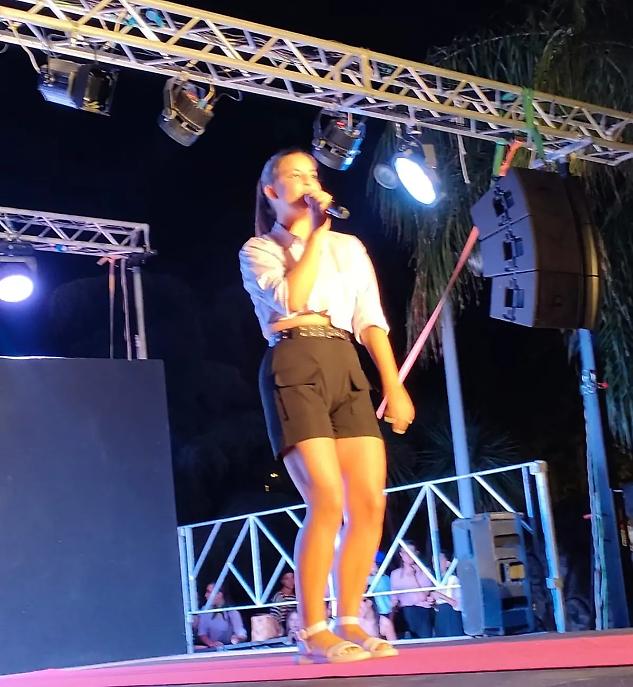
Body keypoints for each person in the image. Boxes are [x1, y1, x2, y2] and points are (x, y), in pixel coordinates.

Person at [239, 149, 415, 664]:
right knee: (326, 498)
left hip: (343, 358)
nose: (307, 181)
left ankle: (350, 621)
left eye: (312, 174)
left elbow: (369, 318)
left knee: (369, 504)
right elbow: (292, 300)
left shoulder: (349, 247)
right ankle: (312, 628)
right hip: (293, 360)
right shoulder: (259, 248)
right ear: (271, 192)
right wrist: (314, 233)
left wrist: (393, 385)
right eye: (294, 176)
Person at [390, 541, 434, 639]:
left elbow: (422, 597)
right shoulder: (395, 574)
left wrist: (412, 577)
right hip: (403, 614)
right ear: (401, 555)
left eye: (411, 552)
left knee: (425, 642)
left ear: (416, 553)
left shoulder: (425, 571)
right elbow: (394, 599)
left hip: (422, 612)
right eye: (405, 552)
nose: (409, 555)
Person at [196, 583, 247, 649]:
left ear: (219, 594)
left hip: (229, 649)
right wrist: (212, 644)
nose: (205, 595)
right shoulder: (205, 610)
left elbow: (241, 633)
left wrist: (237, 639)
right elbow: (202, 633)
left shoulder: (232, 611)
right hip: (211, 649)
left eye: (209, 592)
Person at [432, 552, 464, 637]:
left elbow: (458, 604)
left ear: (448, 563)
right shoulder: (436, 581)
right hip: (440, 617)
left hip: (451, 616)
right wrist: (433, 603)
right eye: (433, 561)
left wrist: (441, 596)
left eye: (439, 561)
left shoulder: (454, 580)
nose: (435, 564)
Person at [367, 554, 397, 641]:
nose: (373, 565)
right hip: (375, 611)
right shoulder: (365, 580)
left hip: (387, 610)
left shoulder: (386, 578)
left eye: (375, 563)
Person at [270, 570, 297, 635]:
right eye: (287, 578)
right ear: (282, 581)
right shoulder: (279, 596)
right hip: (284, 632)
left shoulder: (295, 597)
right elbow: (274, 617)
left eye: (293, 577)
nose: (291, 581)